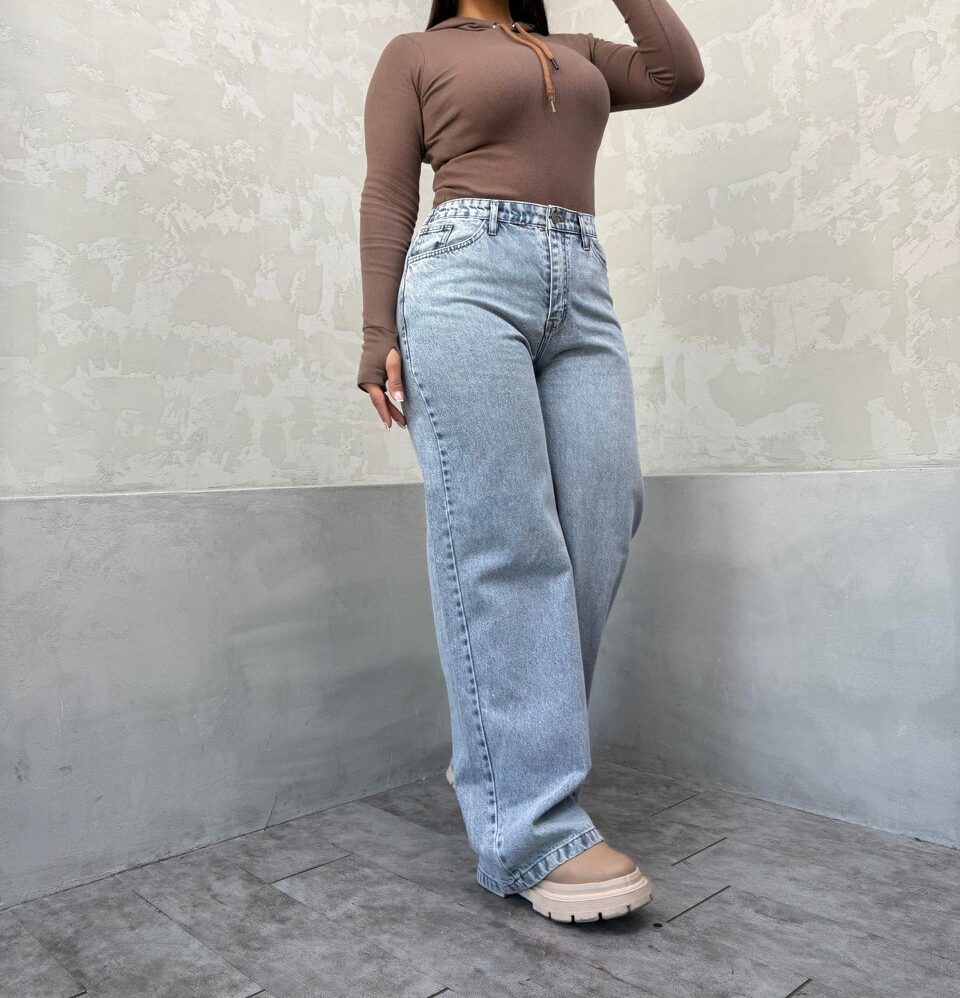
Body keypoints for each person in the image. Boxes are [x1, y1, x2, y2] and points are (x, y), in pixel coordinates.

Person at [356, 0, 704, 923]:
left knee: (602, 516)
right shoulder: (414, 52)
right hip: (464, 276)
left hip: (580, 284)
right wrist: (375, 332)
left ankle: (499, 754)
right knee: (504, 534)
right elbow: (388, 193)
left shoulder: (574, 51)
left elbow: (676, 71)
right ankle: (534, 830)